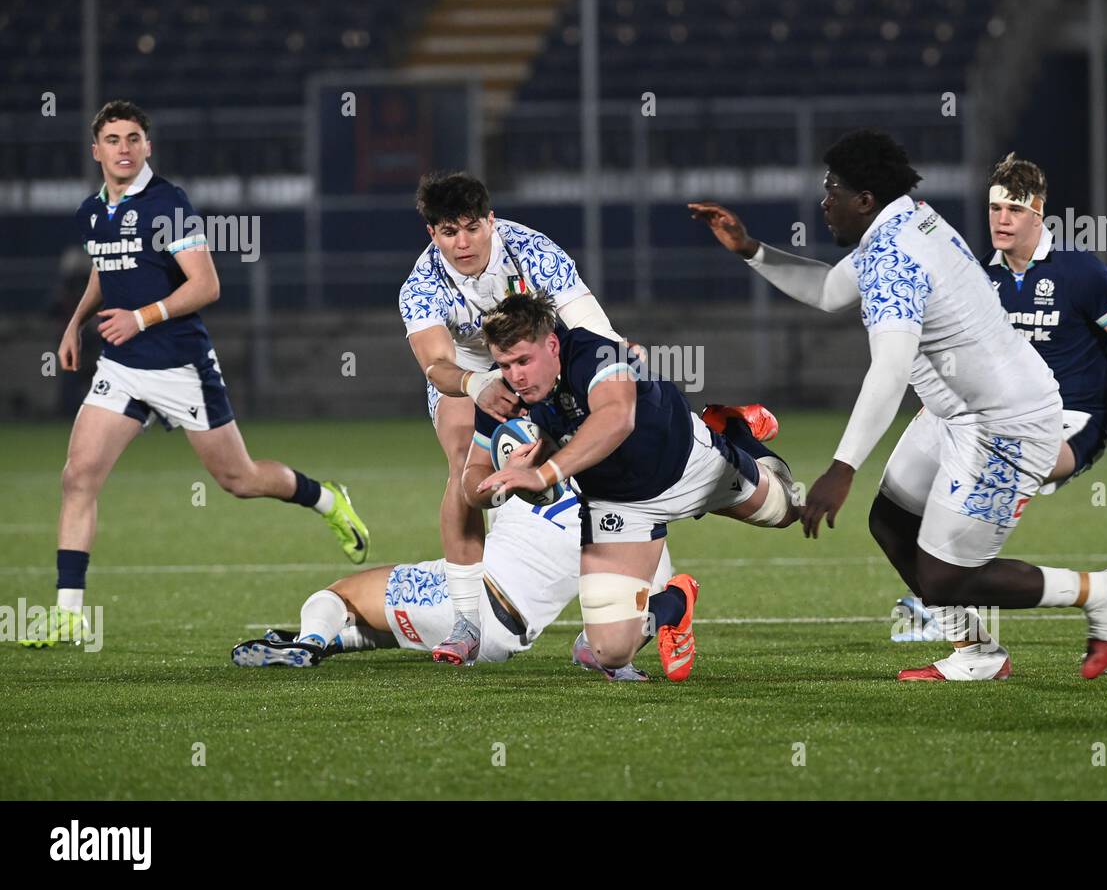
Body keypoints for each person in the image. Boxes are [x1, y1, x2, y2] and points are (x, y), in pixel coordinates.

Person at [688, 128, 1107, 681]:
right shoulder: (907, 218)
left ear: (865, 199)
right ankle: (977, 654)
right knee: (892, 523)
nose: (824, 202)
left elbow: (890, 370)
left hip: (1006, 424)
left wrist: (842, 467)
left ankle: (1103, 592)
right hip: (957, 411)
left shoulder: (895, 255)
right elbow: (830, 290)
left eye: (832, 190)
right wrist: (751, 249)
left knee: (948, 576)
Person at [21, 100, 369, 649]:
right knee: (78, 476)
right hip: (122, 368)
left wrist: (140, 318)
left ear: (148, 146)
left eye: (133, 138)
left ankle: (325, 499)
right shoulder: (92, 211)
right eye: (112, 139)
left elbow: (206, 285)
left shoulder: (169, 204)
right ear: (96, 151)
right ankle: (69, 613)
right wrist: (74, 324)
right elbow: (104, 269)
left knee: (239, 480)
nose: (124, 149)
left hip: (180, 366)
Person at [894, 152, 1107, 640]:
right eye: (995, 208)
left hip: (1074, 420)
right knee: (899, 509)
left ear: (1039, 213)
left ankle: (963, 603)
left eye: (1015, 210)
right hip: (1002, 413)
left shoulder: (1078, 271)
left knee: (969, 502)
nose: (1002, 219)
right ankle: (953, 612)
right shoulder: (982, 277)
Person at [465, 292, 802, 681]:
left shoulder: (594, 354)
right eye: (505, 365)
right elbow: (471, 482)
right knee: (609, 652)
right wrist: (501, 484)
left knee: (790, 508)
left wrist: (543, 475)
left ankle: (736, 431)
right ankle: (676, 602)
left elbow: (616, 418)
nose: (516, 376)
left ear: (552, 345)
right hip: (617, 504)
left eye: (524, 361)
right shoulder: (502, 393)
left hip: (689, 466)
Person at [398, 172, 622, 662]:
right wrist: (478, 385)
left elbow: (592, 328)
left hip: (538, 362)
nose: (463, 243)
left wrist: (620, 361)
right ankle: (466, 621)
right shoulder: (420, 286)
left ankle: (606, 619)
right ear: (432, 234)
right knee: (464, 462)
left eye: (472, 228)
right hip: (468, 374)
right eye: (449, 232)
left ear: (491, 221)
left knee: (595, 456)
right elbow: (436, 365)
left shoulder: (533, 251)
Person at [231, 488, 672, 681]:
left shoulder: (530, 454)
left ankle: (309, 642)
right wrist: (618, 655)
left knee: (339, 594)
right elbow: (591, 646)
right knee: (402, 626)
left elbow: (469, 507)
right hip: (504, 641)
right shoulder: (643, 523)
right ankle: (328, 643)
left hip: (471, 600)